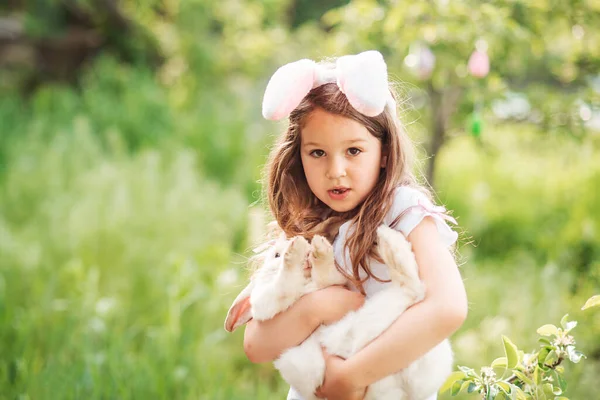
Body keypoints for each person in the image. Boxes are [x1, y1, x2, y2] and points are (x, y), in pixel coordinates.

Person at [242, 50, 468, 400]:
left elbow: (448, 306)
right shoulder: (306, 223)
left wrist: (350, 376)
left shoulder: (403, 212)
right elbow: (257, 345)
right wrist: (319, 306)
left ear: (385, 152)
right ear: (298, 156)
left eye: (354, 151)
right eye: (317, 153)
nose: (336, 171)